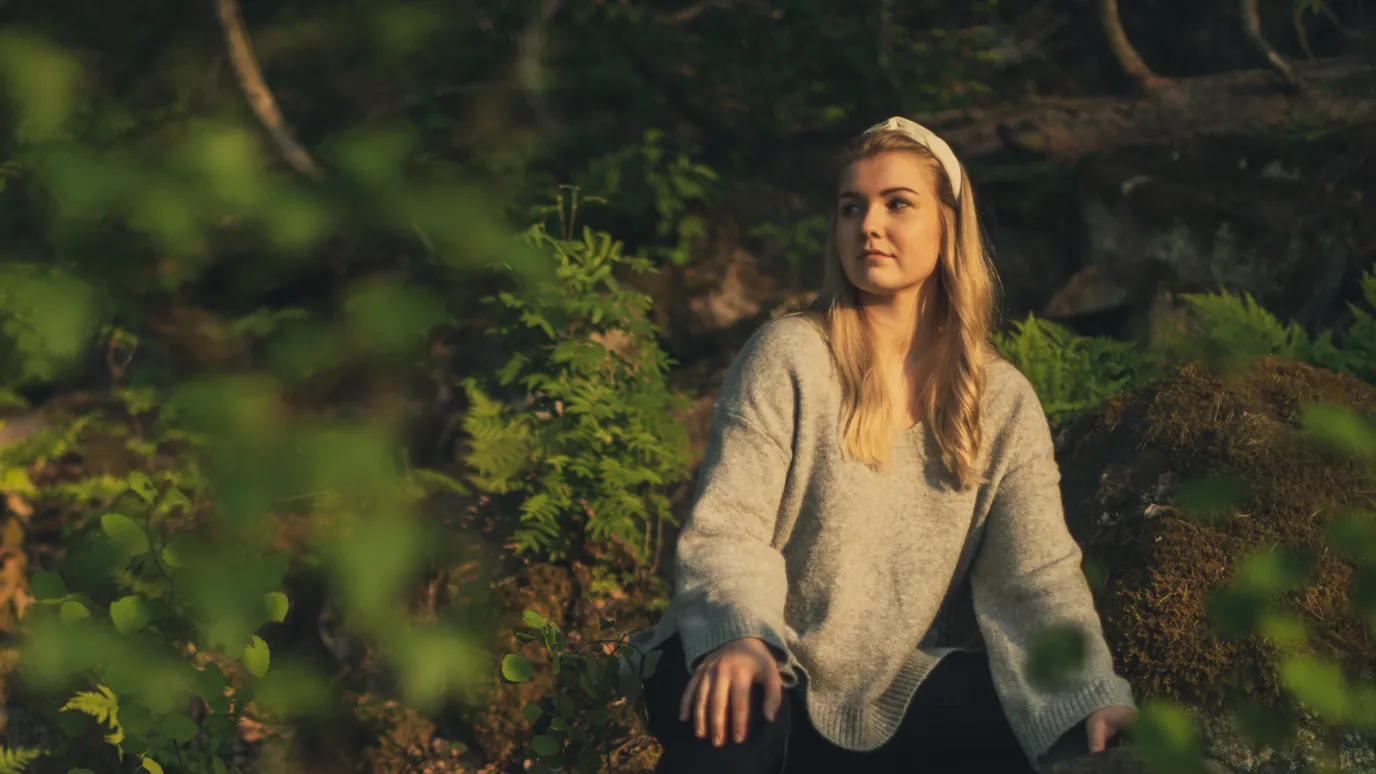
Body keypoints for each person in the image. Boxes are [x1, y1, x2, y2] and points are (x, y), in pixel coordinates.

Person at [621, 117, 1138, 774]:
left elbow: (1033, 579)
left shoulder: (1001, 402)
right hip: (741, 656)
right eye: (851, 207)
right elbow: (728, 531)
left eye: (897, 204)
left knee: (1069, 741)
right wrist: (741, 637)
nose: (868, 224)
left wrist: (1089, 694)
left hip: (880, 687)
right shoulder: (790, 355)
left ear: (949, 227)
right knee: (745, 709)